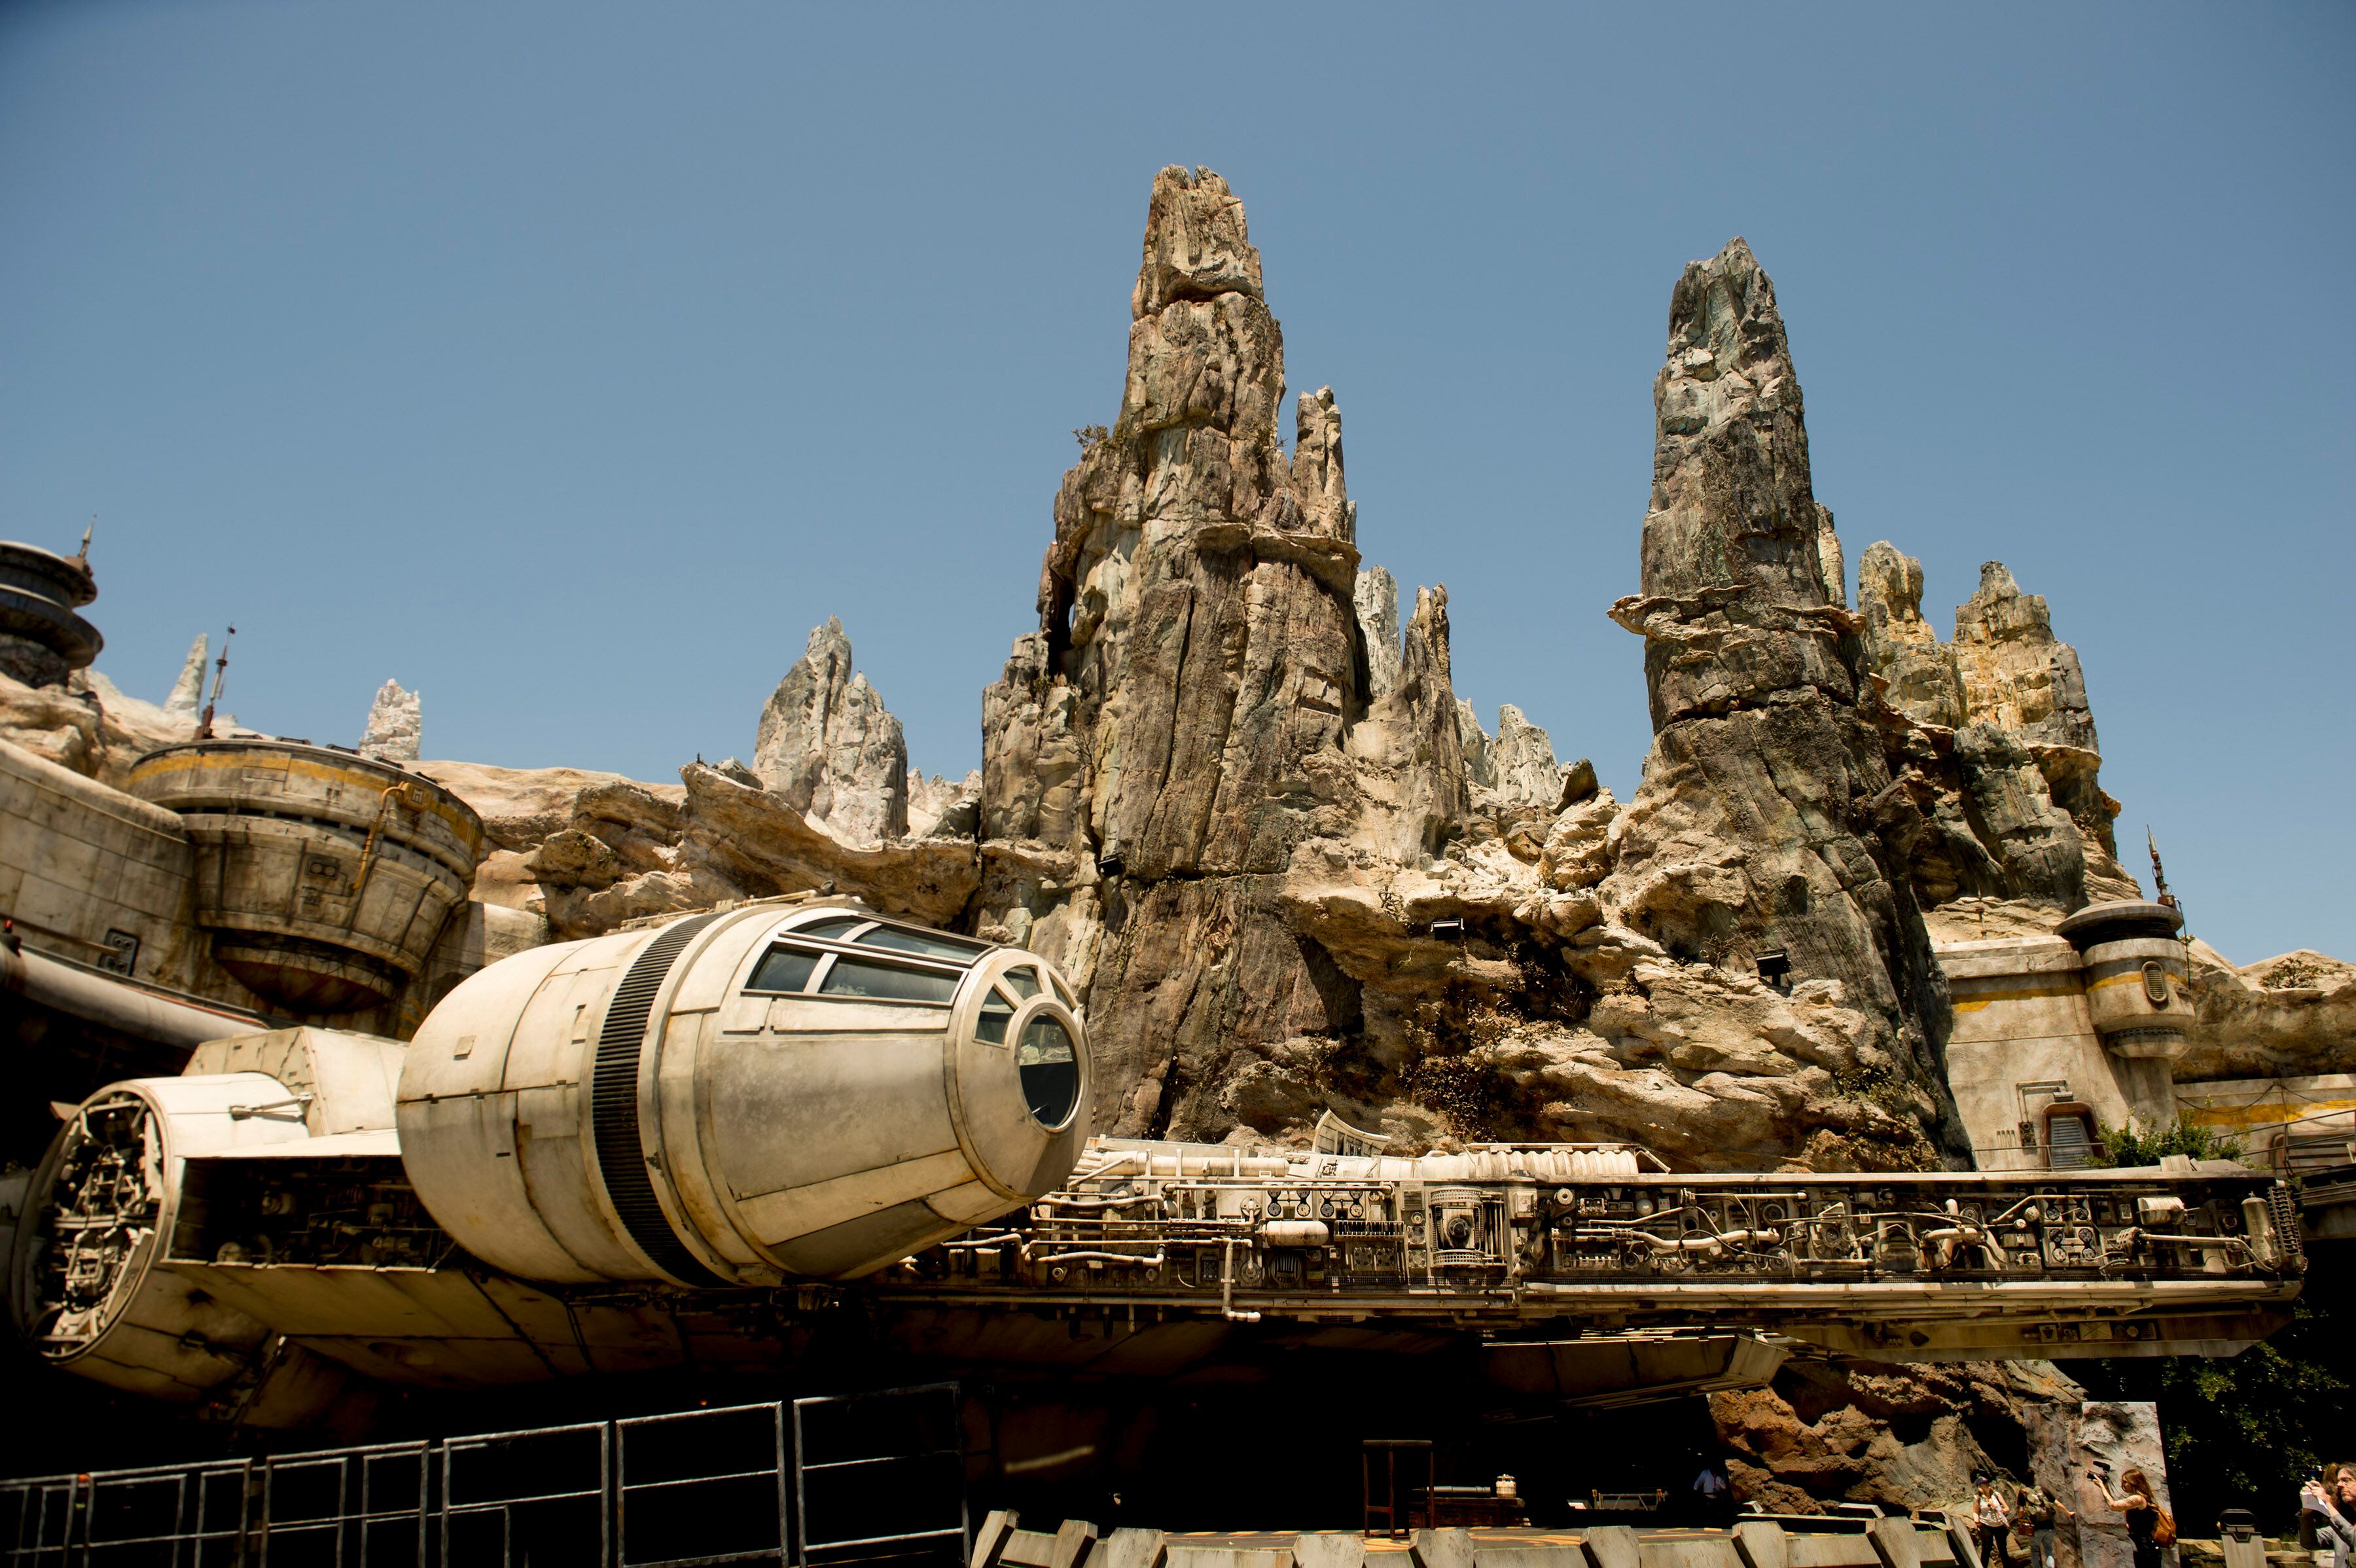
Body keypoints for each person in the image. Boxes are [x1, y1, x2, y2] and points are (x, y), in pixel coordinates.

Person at [2088, 1466, 2164, 1568]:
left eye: (2125, 1482)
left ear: (2134, 1483)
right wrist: (2106, 1487)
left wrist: (2102, 1486)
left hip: (2147, 1549)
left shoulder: (2138, 1499)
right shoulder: (2138, 1499)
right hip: (2143, 1548)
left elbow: (2113, 1506)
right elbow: (2116, 1505)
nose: (2123, 1485)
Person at [2303, 1470, 2353, 1568]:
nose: (2339, 1485)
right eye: (2338, 1481)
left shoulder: (2343, 1524)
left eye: (2346, 1480)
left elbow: (2352, 1537)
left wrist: (2327, 1504)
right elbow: (2309, 1542)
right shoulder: (2347, 1521)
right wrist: (2307, 1508)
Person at [2016, 1481, 2071, 1568]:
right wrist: (2068, 1513)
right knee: (2049, 1549)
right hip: (2049, 1526)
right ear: (2034, 1478)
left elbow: (2021, 1511)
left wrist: (2020, 1521)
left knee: (2034, 1550)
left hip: (2034, 1528)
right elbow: (2057, 1504)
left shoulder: (2023, 1492)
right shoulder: (2043, 1490)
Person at [1974, 1474, 2013, 1568]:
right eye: (1983, 1483)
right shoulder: (1978, 1498)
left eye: (1986, 1482)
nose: (1986, 1484)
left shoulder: (1996, 1495)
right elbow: (1975, 1512)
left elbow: (2007, 1507)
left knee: (2003, 1549)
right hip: (1986, 1524)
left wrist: (2004, 1510)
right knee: (1987, 1548)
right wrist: (1977, 1522)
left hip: (1999, 1524)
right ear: (1980, 1486)